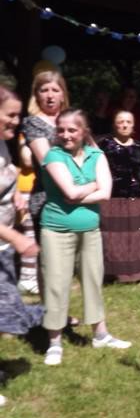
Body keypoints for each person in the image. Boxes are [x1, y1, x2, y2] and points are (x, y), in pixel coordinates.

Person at [40, 109, 131, 366]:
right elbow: (69, 192)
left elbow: (106, 193)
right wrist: (93, 186)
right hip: (56, 230)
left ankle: (100, 335)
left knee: (93, 281)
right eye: (61, 130)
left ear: (84, 131)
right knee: (56, 284)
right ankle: (54, 343)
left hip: (90, 230)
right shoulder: (53, 155)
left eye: (72, 130)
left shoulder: (96, 155)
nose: (66, 135)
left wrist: (82, 192)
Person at [0, 86, 44, 341]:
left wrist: (15, 193)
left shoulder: (3, 144)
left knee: (7, 303)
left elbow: (8, 171)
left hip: (3, 243)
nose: (17, 122)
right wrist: (17, 238)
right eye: (11, 115)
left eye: (18, 115)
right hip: (5, 238)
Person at [98, 110, 140, 283]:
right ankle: (114, 274)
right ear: (114, 124)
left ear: (133, 125)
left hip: (135, 197)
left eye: (128, 122)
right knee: (113, 237)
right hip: (112, 198)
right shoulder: (104, 145)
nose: (124, 125)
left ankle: (137, 273)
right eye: (121, 122)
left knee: (135, 236)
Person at [21, 70, 70, 223]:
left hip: (80, 201)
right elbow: (48, 162)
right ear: (36, 95)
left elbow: (94, 154)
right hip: (48, 201)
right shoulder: (33, 123)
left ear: (63, 95)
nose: (50, 95)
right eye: (44, 90)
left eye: (55, 90)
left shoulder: (74, 120)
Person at [16, 133, 39, 294]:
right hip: (26, 190)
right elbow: (27, 160)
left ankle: (34, 276)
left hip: (38, 190)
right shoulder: (27, 134)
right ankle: (28, 278)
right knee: (29, 235)